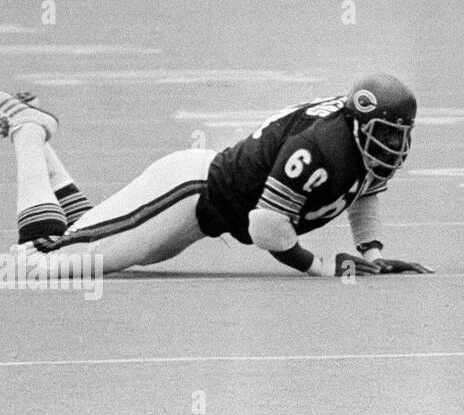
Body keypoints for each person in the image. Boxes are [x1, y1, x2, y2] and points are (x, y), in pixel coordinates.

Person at [0, 76, 430, 276]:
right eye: (384, 133)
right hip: (187, 192)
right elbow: (265, 226)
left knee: (78, 240)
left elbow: (364, 192)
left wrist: (371, 253)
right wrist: (320, 268)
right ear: (358, 123)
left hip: (201, 210)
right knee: (35, 266)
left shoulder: (352, 139)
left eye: (398, 134)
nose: (391, 144)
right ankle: (28, 128)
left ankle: (33, 133)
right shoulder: (323, 145)